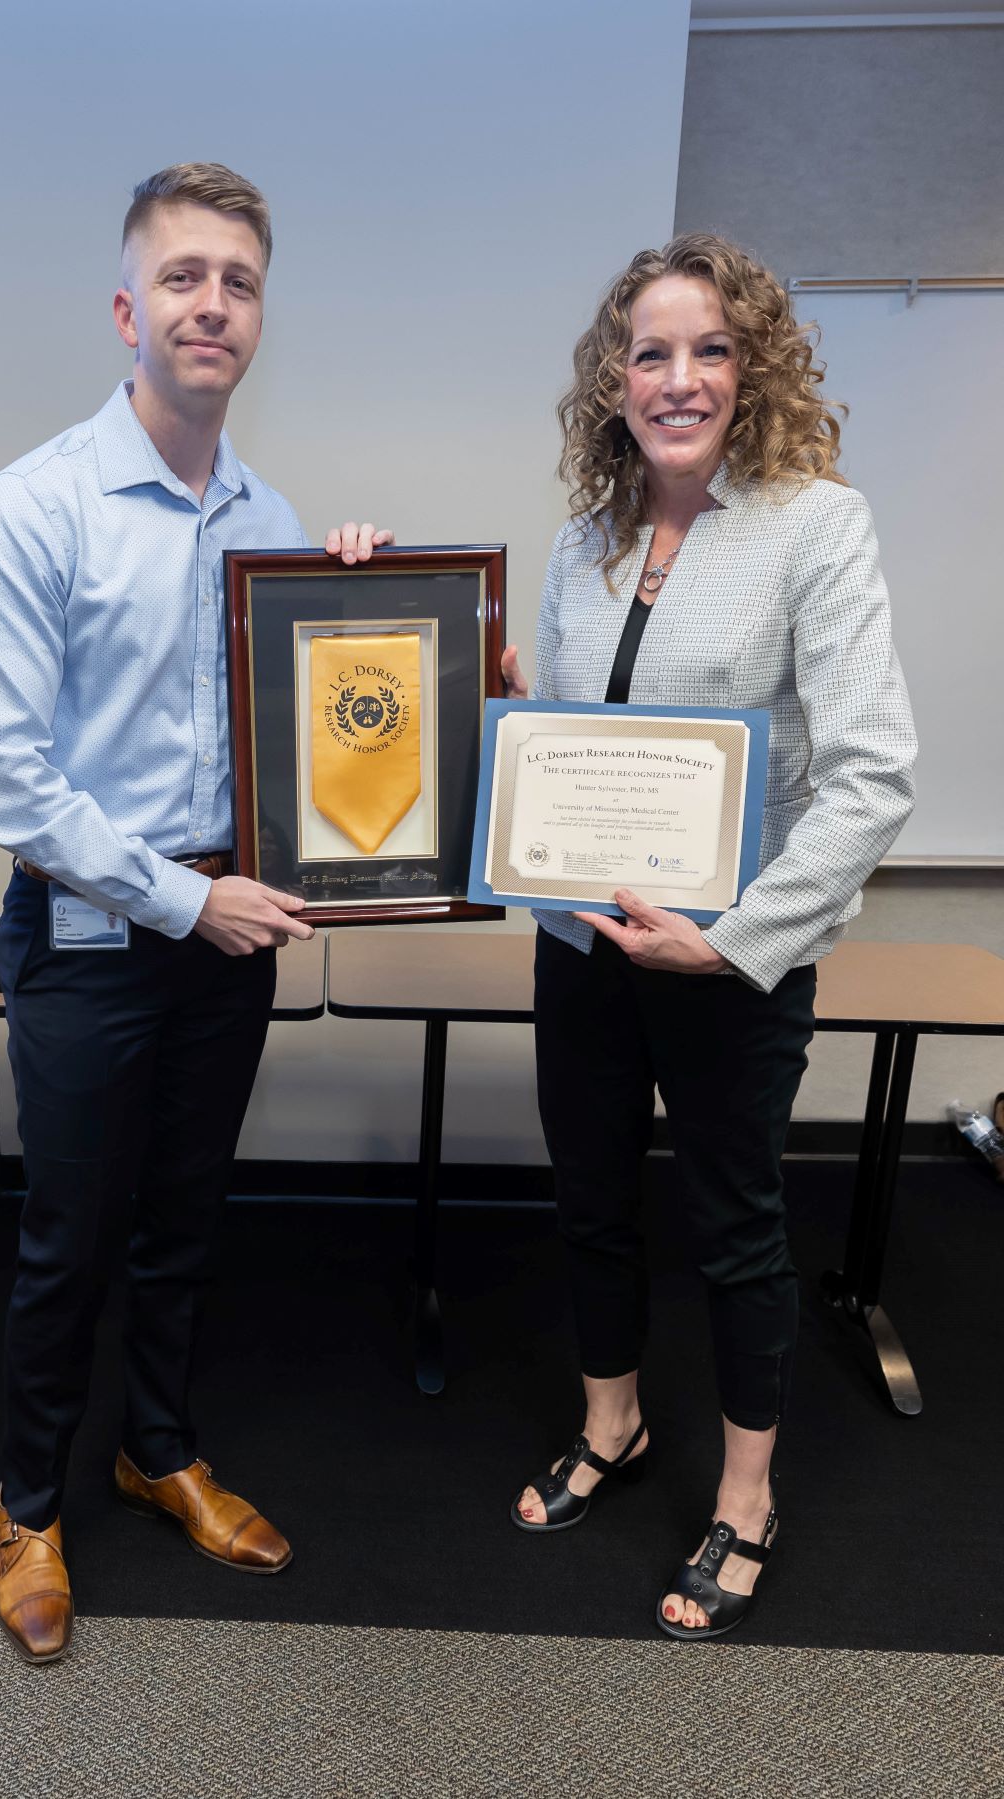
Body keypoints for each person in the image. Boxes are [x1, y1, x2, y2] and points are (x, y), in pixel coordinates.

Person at [0, 163, 393, 1665]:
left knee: (186, 1220)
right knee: (72, 1234)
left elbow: (307, 727)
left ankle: (157, 1450)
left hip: (229, 927)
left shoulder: (267, 517)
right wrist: (181, 899)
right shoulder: (39, 506)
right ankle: (26, 1503)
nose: (215, 304)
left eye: (241, 282)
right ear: (131, 309)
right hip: (87, 933)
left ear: (260, 318)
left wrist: (357, 617)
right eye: (187, 277)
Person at [500, 233, 916, 1639]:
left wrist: (736, 939)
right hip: (585, 952)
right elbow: (573, 737)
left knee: (736, 1228)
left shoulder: (816, 524)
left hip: (732, 964)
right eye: (651, 352)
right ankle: (610, 1425)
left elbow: (872, 777)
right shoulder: (585, 539)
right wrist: (483, 675)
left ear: (756, 366)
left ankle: (746, 1497)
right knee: (591, 1198)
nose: (679, 379)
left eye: (710, 349)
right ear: (614, 380)